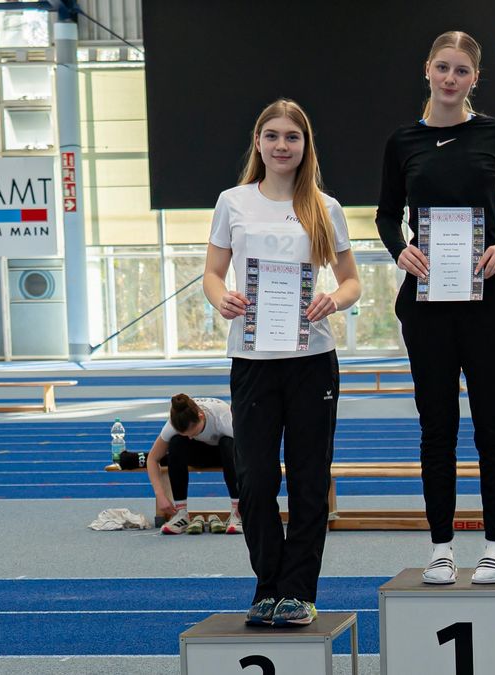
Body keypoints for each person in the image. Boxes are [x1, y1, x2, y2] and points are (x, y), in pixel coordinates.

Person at [375, 30, 495, 585]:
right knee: (435, 429)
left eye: (461, 71)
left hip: (491, 302)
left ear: (474, 79)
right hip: (428, 305)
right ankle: (441, 547)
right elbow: (385, 216)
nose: (450, 79)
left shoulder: (494, 134)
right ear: (427, 70)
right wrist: (402, 251)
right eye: (442, 68)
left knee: (493, 427)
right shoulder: (403, 142)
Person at [205, 99, 361, 627]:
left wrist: (334, 300)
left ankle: (298, 592)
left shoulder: (324, 206)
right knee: (253, 479)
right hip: (252, 359)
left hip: (311, 358)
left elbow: (352, 281)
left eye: (291, 137)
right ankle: (267, 585)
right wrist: (218, 296)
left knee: (310, 481)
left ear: (304, 146)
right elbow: (211, 272)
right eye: (271, 135)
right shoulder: (233, 201)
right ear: (258, 142)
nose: (280, 145)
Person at [148, 394, 242, 536]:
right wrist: (159, 494)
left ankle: (238, 511)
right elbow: (152, 459)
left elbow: (252, 454)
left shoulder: (224, 419)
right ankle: (181, 514)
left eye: (193, 432)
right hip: (197, 455)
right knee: (176, 443)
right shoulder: (174, 423)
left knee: (228, 443)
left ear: (201, 416)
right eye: (186, 434)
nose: (191, 437)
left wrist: (248, 496)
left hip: (224, 454)